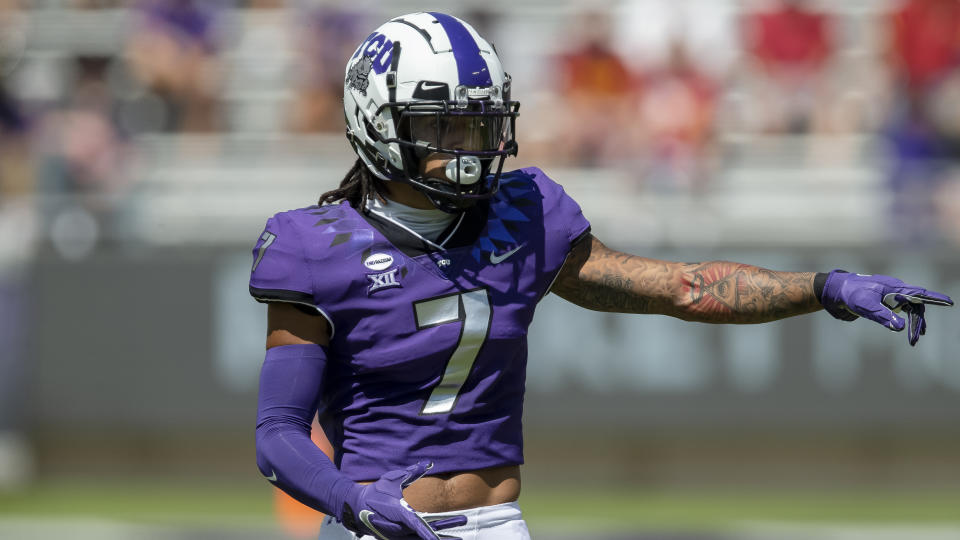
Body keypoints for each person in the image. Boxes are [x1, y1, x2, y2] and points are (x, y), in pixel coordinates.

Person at [250, 12, 953, 540]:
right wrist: (352, 501)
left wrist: (823, 288)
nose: (472, 150)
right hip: (376, 526)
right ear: (378, 124)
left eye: (481, 127)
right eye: (446, 129)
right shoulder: (316, 245)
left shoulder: (522, 213)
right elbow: (277, 434)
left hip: (498, 524)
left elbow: (683, 288)